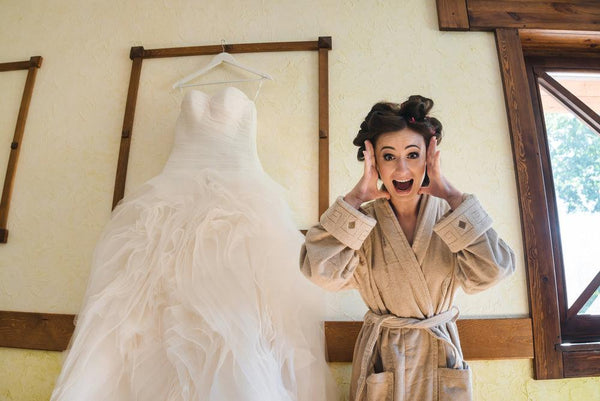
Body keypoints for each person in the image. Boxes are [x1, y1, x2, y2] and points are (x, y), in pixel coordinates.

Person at [51, 87, 336, 401]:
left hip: (239, 208)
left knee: (236, 323)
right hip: (168, 206)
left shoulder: (254, 88)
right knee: (143, 318)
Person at [300, 95, 515, 401]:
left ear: (429, 158)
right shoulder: (360, 223)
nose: (401, 168)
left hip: (439, 357)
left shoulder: (453, 218)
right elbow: (320, 272)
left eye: (413, 154)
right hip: (383, 359)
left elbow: (494, 271)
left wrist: (453, 196)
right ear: (374, 162)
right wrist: (356, 198)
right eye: (388, 156)